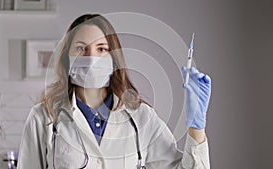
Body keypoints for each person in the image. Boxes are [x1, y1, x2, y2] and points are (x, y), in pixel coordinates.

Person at [17, 13, 211, 169]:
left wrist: (197, 127)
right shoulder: (43, 118)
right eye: (81, 48)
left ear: (114, 58)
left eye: (101, 49)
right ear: (67, 58)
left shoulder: (141, 117)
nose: (91, 58)